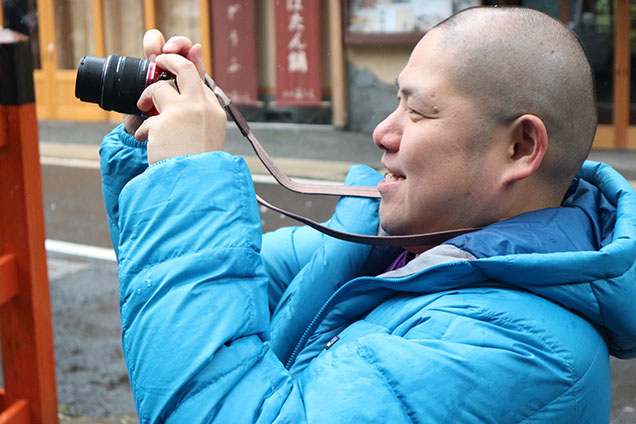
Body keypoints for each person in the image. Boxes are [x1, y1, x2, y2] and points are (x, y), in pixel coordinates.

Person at [99, 6, 636, 423]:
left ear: (520, 148)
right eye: (394, 102)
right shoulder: (394, 247)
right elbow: (180, 295)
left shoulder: (516, 349)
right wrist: (151, 157)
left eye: (417, 111)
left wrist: (189, 180)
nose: (382, 131)